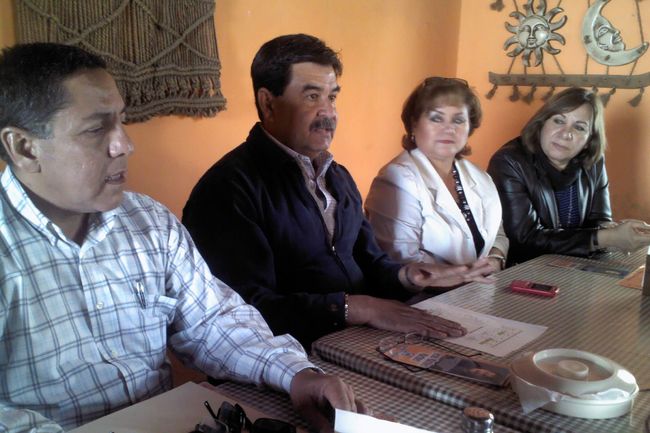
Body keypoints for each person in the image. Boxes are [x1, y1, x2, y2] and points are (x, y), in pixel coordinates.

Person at [0, 42, 362, 433]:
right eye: (95, 129)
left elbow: (213, 322)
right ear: (24, 148)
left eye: (121, 121)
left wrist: (296, 374)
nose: (125, 144)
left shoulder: (148, 222)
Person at [182, 34, 494, 350]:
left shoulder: (336, 176)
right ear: (268, 103)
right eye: (311, 96)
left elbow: (371, 262)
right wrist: (354, 308)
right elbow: (243, 310)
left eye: (331, 97)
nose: (328, 113)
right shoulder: (227, 189)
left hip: (355, 340)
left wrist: (410, 277)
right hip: (285, 359)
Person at [487, 87, 650, 265]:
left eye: (579, 127)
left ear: (589, 140)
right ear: (541, 124)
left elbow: (600, 220)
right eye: (558, 121)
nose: (566, 134)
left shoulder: (593, 161)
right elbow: (525, 239)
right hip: (524, 269)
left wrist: (620, 232)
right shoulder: (509, 161)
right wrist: (607, 237)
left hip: (575, 267)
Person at [365, 77, 509, 273]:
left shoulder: (479, 176)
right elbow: (400, 263)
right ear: (414, 124)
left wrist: (495, 259)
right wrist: (466, 276)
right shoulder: (396, 179)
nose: (449, 128)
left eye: (458, 120)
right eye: (436, 118)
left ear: (470, 128)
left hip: (480, 287)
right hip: (425, 292)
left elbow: (497, 234)